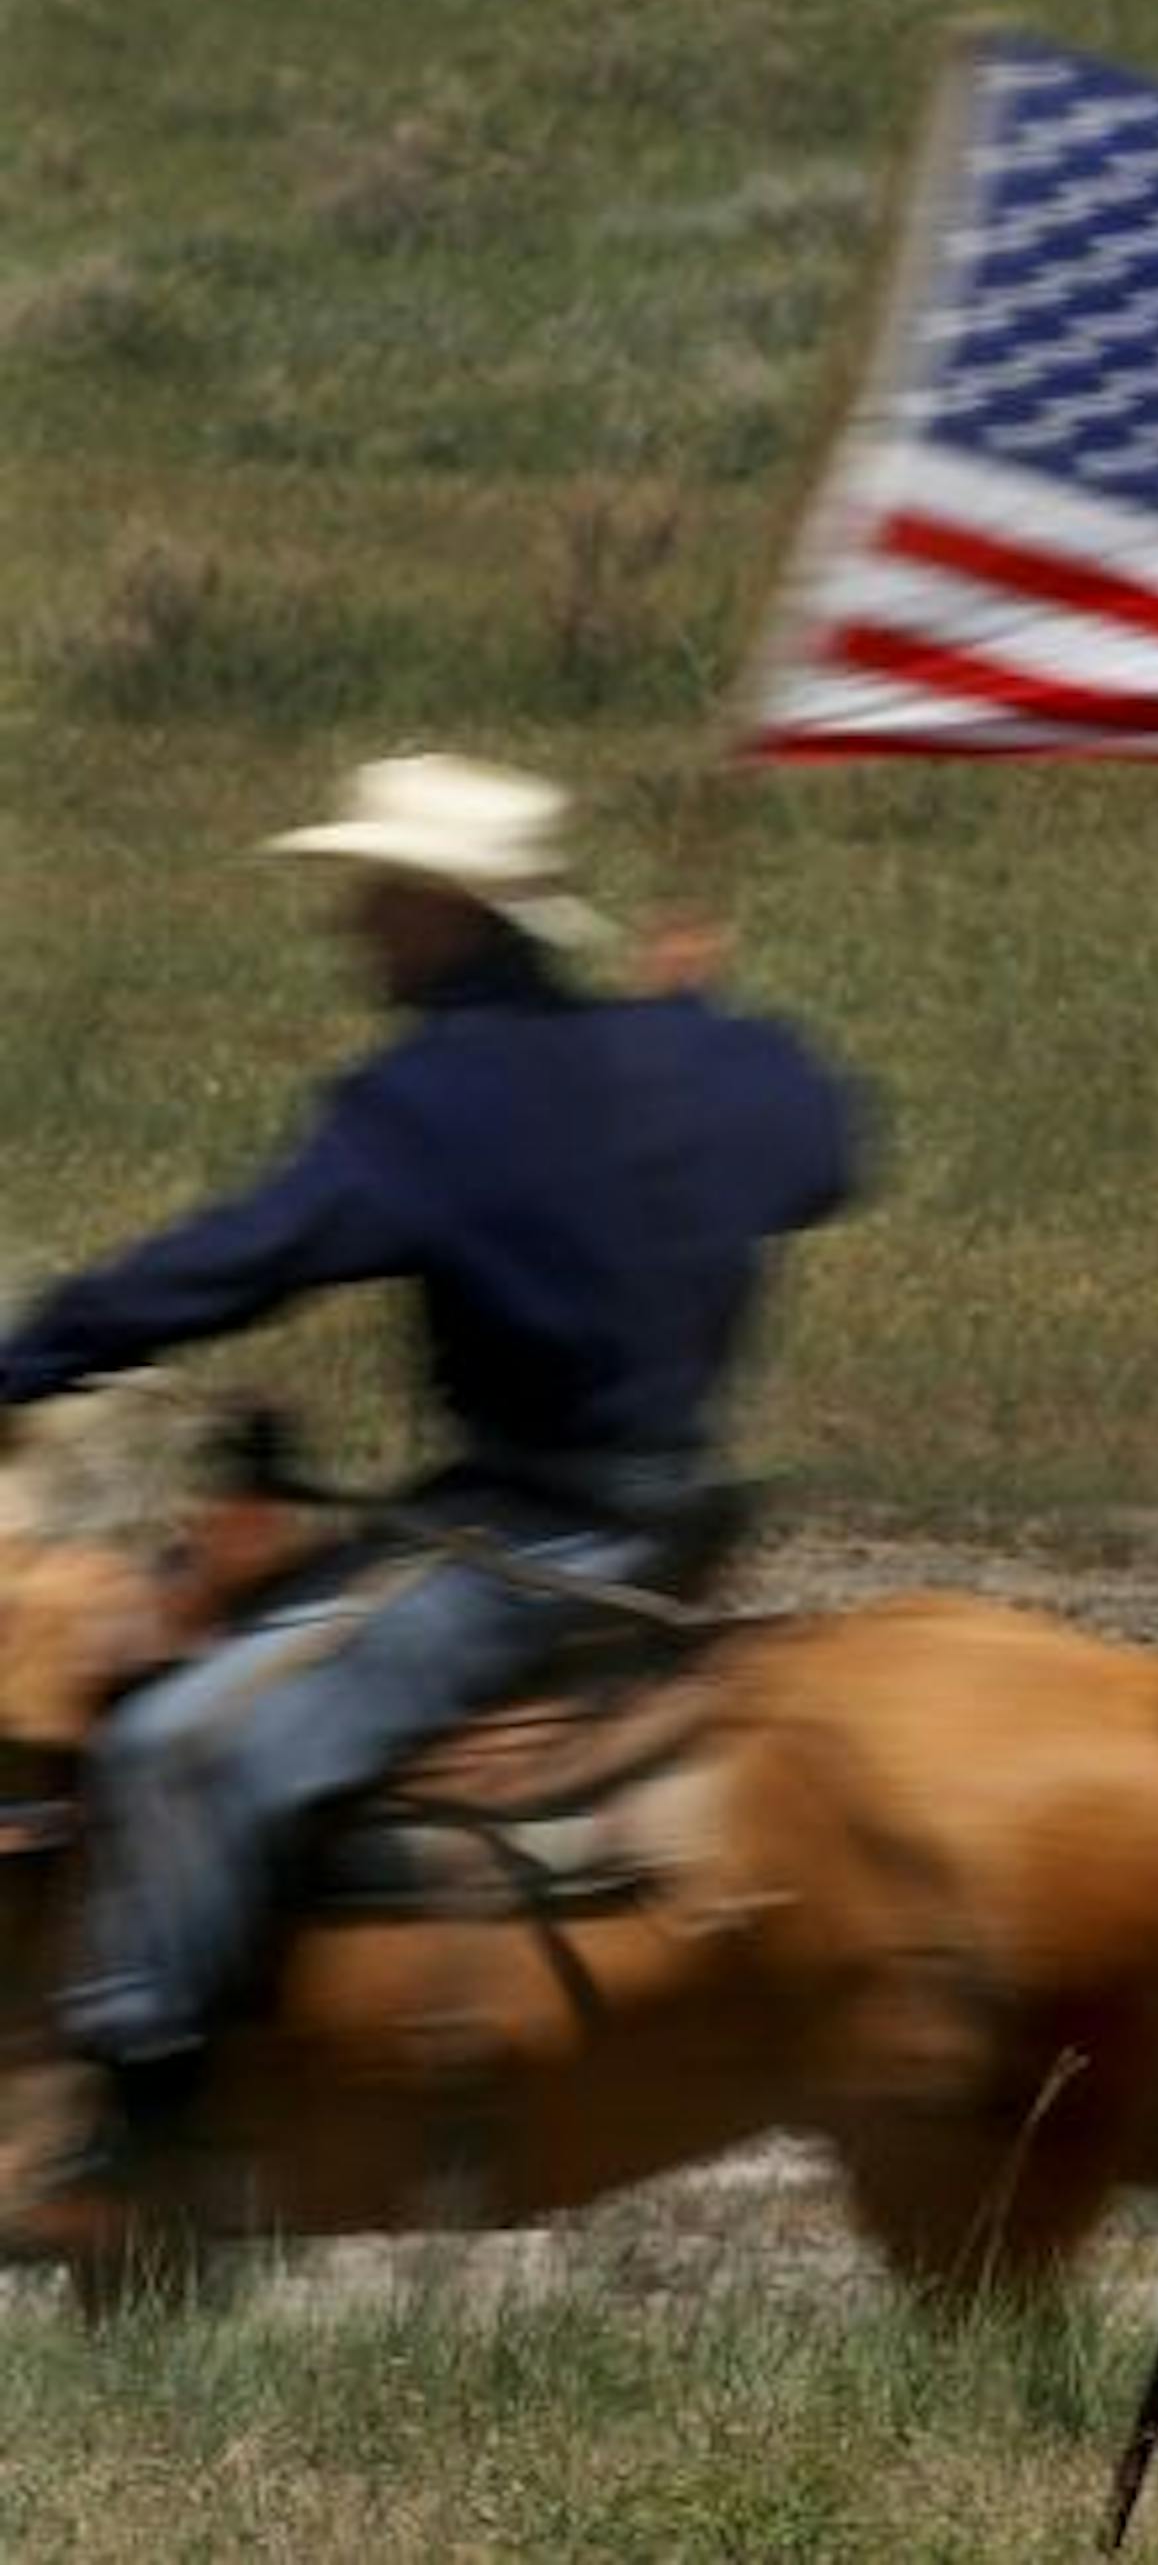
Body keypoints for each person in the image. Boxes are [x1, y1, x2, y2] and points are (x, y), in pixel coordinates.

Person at [0, 752, 859, 2180]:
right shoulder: (680, 1057)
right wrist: (711, 1034)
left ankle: (127, 2114)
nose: (353, 924)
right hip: (674, 1490)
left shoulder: (433, 1102)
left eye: (380, 895)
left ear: (451, 913)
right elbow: (832, 1151)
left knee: (177, 1747)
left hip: (548, 1525)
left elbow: (242, 1261)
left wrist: (30, 1358)